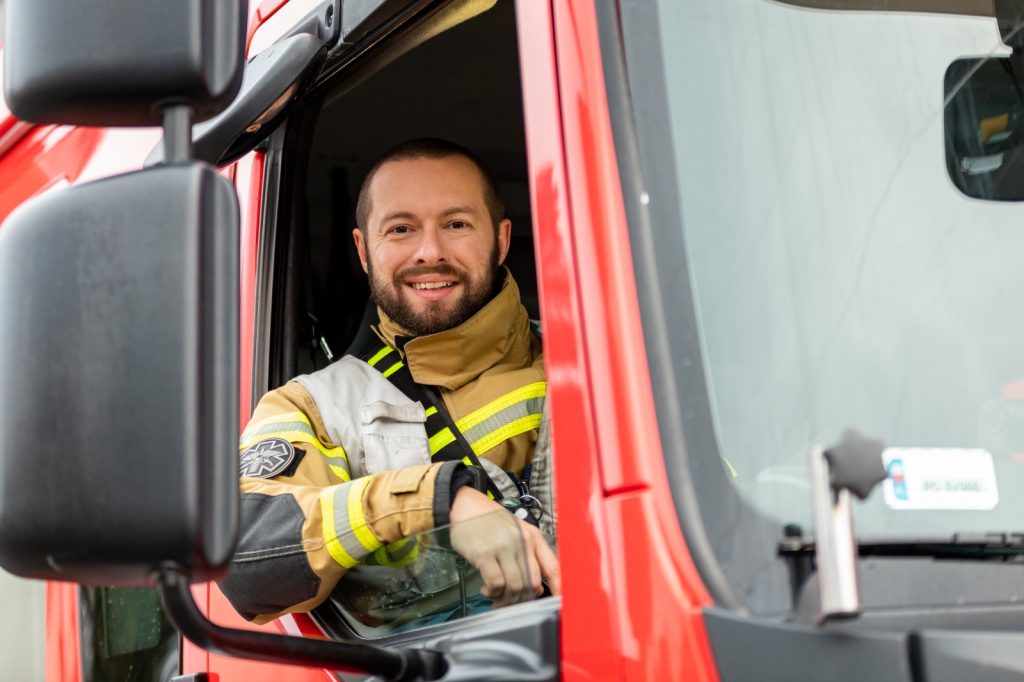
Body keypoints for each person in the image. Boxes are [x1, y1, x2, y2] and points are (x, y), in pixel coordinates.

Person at [219, 138, 561, 625]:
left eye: (456, 224)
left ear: (501, 240)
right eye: (401, 229)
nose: (429, 252)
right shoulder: (308, 407)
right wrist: (439, 499)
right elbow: (247, 571)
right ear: (363, 250)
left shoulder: (600, 363)